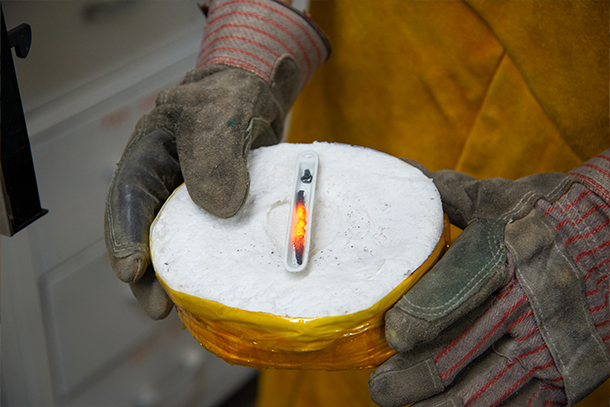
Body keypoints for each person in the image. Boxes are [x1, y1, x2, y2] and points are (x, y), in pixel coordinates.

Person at [104, 1, 609, 406]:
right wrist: (248, 36)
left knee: (484, 359)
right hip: (363, 84)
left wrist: (600, 224)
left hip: (552, 200)